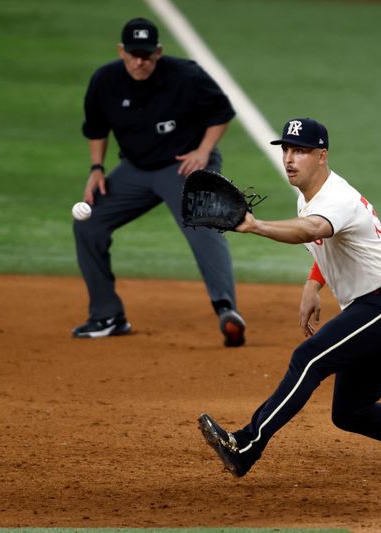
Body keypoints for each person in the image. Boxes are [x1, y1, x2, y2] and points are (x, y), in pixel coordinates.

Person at [198, 117, 381, 479]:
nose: (289, 159)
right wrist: (313, 285)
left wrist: (256, 226)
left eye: (300, 150)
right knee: (351, 412)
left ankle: (246, 446)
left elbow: (314, 229)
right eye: (286, 150)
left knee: (309, 358)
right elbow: (328, 240)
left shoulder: (336, 197)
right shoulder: (308, 197)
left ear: (322, 156)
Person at [73, 17, 246, 347]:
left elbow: (222, 111)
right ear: (121, 51)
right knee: (88, 223)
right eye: (134, 54)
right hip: (135, 169)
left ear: (159, 52)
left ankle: (227, 311)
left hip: (183, 165)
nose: (141, 61)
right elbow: (96, 127)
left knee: (203, 226)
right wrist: (96, 168)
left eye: (147, 55)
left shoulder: (185, 75)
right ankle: (107, 316)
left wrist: (204, 151)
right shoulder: (105, 80)